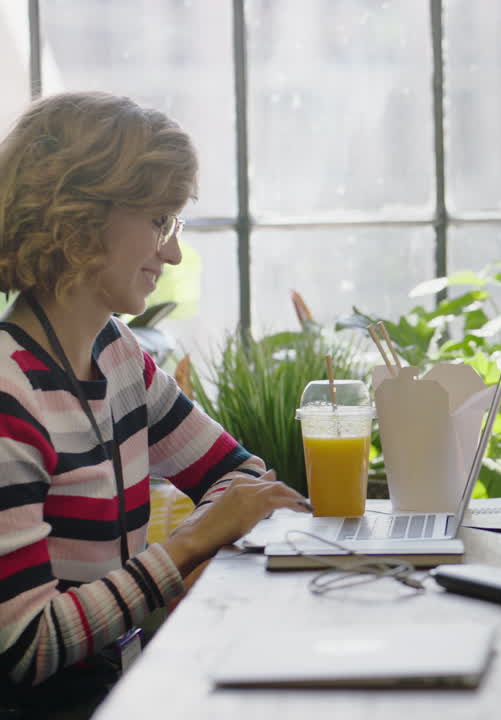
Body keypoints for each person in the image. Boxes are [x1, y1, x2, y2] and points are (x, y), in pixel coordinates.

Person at [0, 92, 309, 716]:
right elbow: (27, 646)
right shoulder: (10, 395)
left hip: (120, 690)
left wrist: (213, 522)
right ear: (80, 220)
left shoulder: (117, 355)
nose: (171, 253)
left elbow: (238, 473)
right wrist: (192, 542)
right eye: (159, 222)